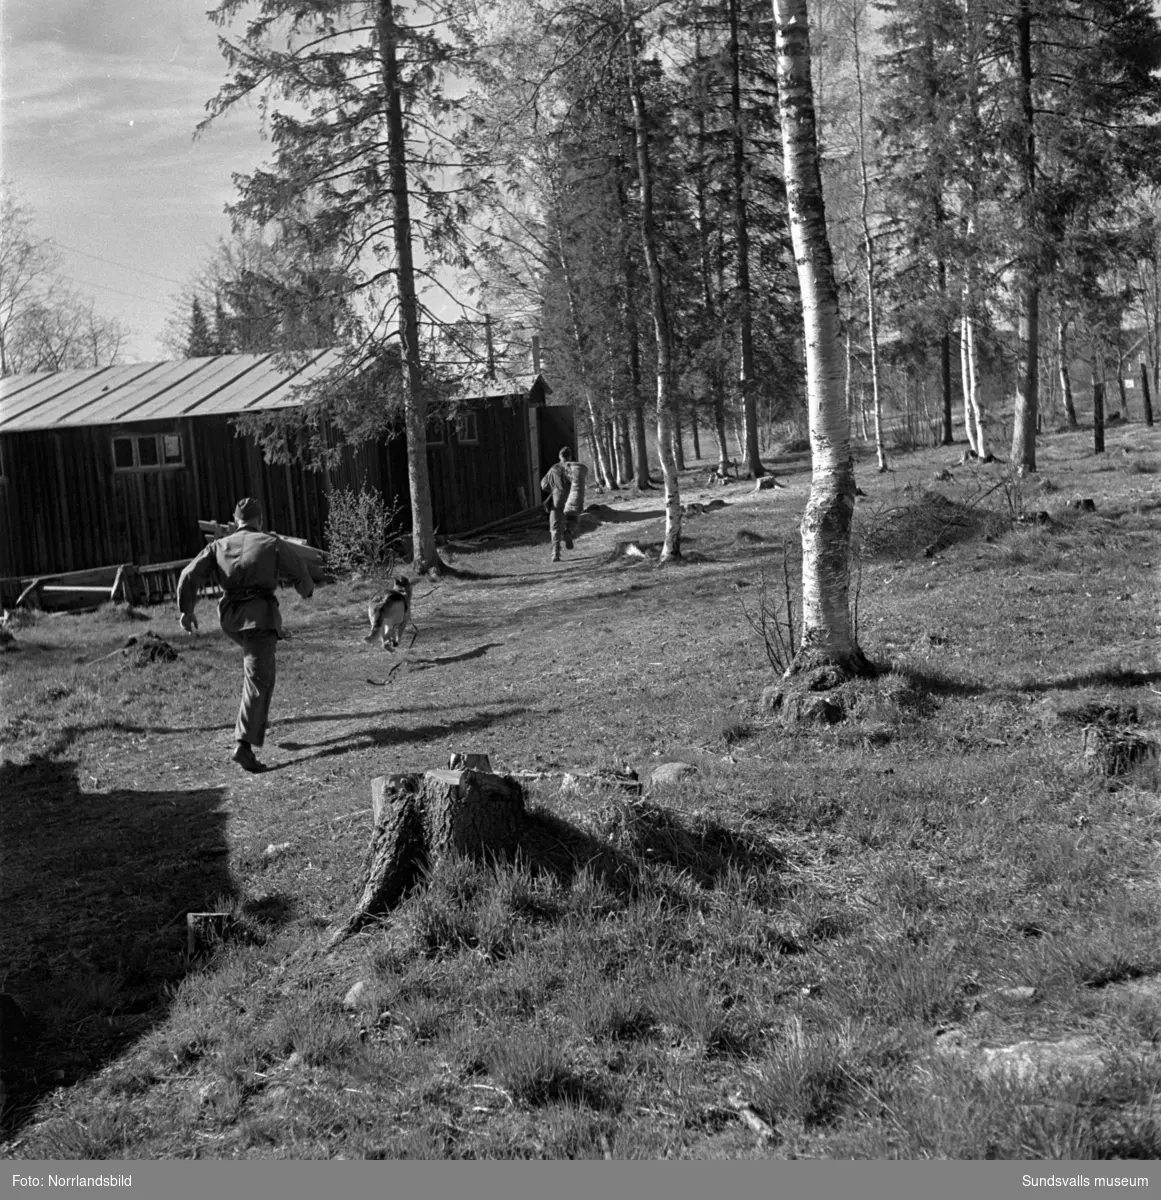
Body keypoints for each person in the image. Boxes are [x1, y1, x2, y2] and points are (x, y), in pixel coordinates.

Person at [177, 497, 315, 773]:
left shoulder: (219, 545)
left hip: (230, 617)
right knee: (258, 677)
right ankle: (243, 744)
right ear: (259, 520)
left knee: (262, 672)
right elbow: (298, 568)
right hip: (257, 617)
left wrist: (186, 610)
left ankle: (251, 729)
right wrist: (306, 589)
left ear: (236, 519)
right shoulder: (270, 541)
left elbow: (189, 574)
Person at [540, 446, 573, 562]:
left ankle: (556, 553)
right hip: (571, 498)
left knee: (554, 526)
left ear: (560, 456)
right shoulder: (573, 468)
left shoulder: (554, 468)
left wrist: (553, 489)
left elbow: (544, 485)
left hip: (557, 498)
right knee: (571, 519)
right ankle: (567, 532)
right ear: (570, 457)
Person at [562, 452, 589, 545]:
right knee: (574, 521)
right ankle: (568, 533)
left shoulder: (565, 469)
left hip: (566, 501)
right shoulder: (579, 471)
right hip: (577, 501)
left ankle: (565, 533)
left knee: (566, 519)